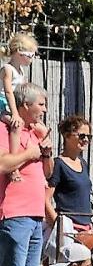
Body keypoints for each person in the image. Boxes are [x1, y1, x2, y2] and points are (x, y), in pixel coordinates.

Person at [0, 82, 55, 266]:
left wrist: (45, 151)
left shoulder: (34, 133)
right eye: (40, 104)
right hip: (14, 213)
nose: (44, 109)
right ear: (25, 105)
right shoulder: (6, 129)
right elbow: (3, 164)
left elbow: (47, 172)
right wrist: (30, 152)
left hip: (34, 215)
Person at [44, 114, 93, 260]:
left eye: (88, 137)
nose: (85, 140)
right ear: (67, 136)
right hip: (69, 230)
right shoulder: (59, 164)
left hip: (86, 230)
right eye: (82, 135)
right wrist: (59, 227)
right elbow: (45, 198)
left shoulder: (82, 163)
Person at [0, 33, 51, 178]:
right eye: (30, 55)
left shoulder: (20, 71)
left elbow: (23, 93)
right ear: (19, 53)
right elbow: (9, 92)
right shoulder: (7, 69)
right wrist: (15, 114)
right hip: (3, 104)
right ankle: (13, 165)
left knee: (38, 126)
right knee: (17, 125)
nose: (32, 58)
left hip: (13, 104)